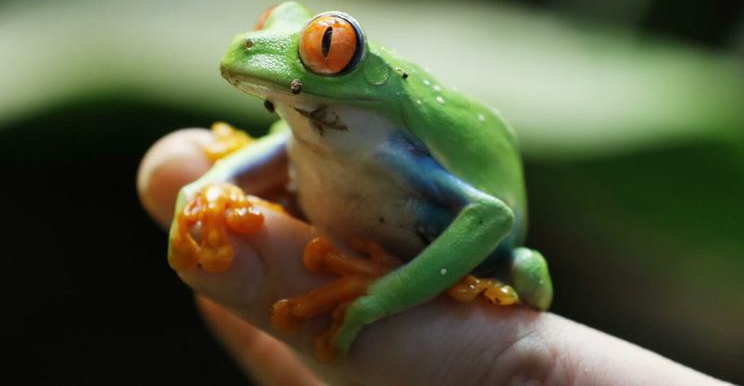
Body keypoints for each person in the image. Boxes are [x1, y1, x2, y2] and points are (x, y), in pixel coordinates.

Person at [138, 128, 729, 386]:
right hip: (361, 232)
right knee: (189, 175)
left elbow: (491, 217)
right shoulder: (317, 120)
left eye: (324, 45)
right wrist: (208, 186)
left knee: (527, 271)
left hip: (484, 262)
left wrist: (379, 298)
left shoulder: (383, 136)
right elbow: (288, 146)